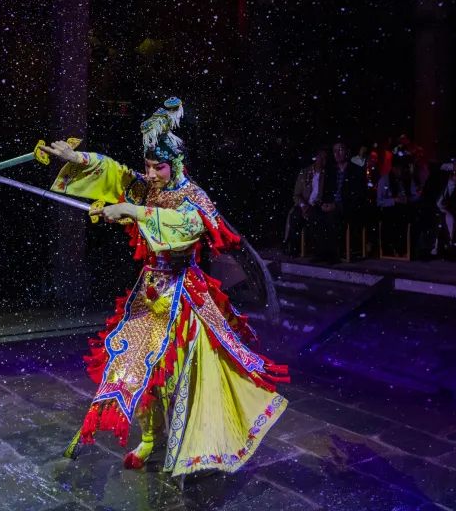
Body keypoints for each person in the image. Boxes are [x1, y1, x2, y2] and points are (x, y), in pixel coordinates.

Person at [42, 98, 289, 477]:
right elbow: (116, 174)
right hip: (149, 293)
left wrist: (131, 211)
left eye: (158, 167)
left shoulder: (193, 196)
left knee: (185, 375)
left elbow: (186, 225)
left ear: (177, 164)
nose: (151, 173)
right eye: (147, 166)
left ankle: (201, 438)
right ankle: (149, 438)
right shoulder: (147, 187)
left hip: (184, 295)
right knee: (136, 369)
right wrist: (78, 159)